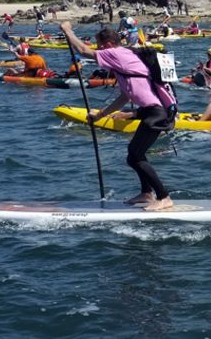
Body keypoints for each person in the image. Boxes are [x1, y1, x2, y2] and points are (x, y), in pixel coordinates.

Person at [60, 22, 177, 212]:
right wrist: (100, 115)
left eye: (99, 45)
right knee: (134, 155)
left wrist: (68, 31)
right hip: (150, 111)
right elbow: (124, 97)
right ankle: (147, 193)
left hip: (157, 112)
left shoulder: (117, 53)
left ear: (106, 45)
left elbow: (83, 50)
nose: (98, 50)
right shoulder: (124, 64)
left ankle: (164, 196)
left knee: (135, 156)